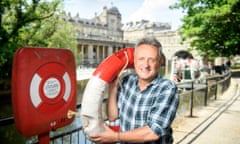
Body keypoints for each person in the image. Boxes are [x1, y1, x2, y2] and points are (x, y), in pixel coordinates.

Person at [90, 36, 179, 144]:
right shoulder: (127, 81)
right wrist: (113, 88)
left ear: (160, 62)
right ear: (134, 61)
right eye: (141, 59)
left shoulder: (167, 88)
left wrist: (114, 137)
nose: (146, 65)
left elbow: (153, 132)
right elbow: (113, 117)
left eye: (152, 60)